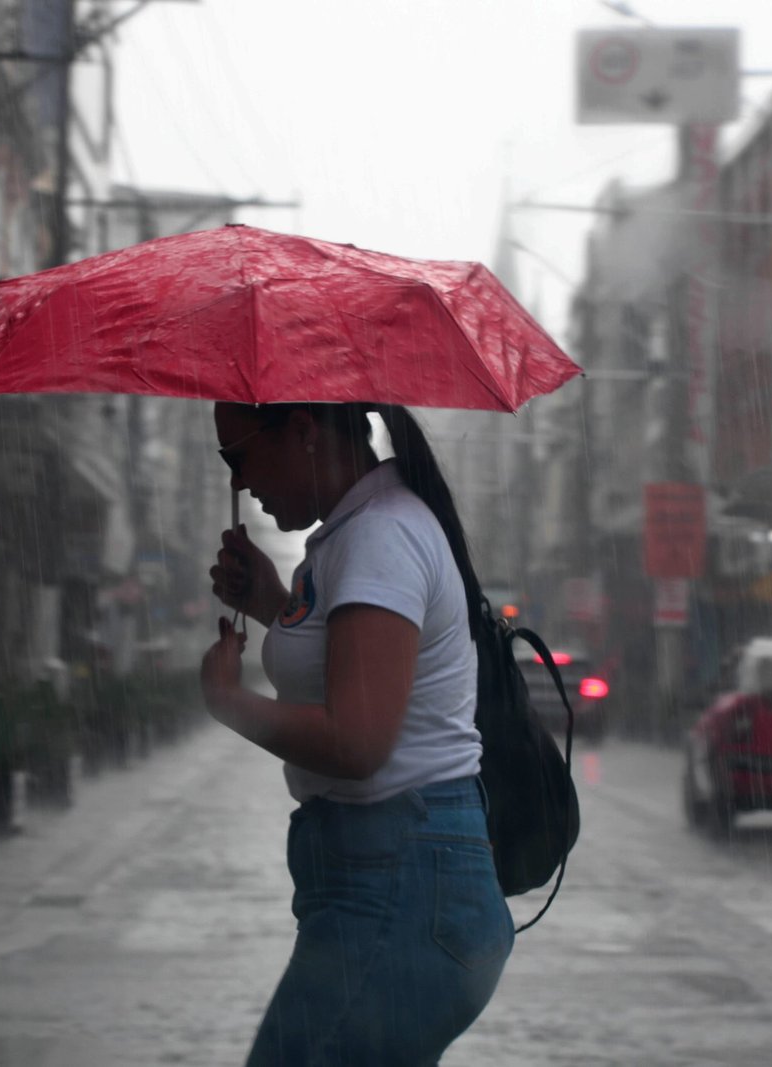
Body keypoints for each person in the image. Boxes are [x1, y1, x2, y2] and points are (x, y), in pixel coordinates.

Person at [201, 401, 512, 1067]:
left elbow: (358, 742)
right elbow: (353, 665)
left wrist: (229, 700)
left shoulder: (380, 532)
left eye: (238, 454)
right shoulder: (355, 531)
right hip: (392, 881)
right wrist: (272, 602)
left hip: (399, 882)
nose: (236, 481)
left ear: (305, 429)